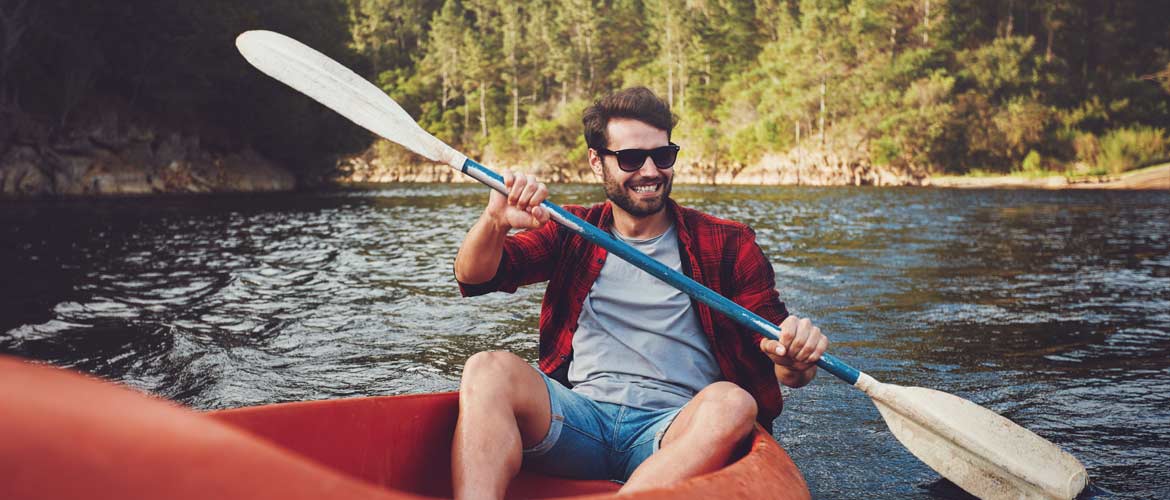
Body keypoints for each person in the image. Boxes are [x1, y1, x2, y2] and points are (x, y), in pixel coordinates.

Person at [451, 87, 828, 500]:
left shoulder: (729, 242)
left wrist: (796, 357)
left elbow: (787, 367)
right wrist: (495, 221)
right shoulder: (571, 229)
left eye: (663, 156)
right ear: (597, 161)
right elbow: (475, 276)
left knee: (734, 403)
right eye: (631, 158)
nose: (650, 171)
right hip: (581, 418)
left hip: (673, 431)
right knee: (486, 368)